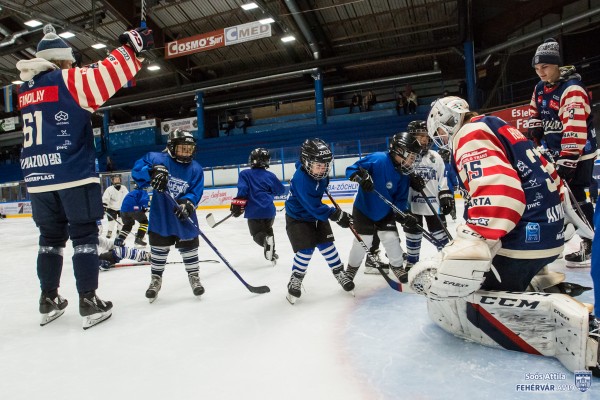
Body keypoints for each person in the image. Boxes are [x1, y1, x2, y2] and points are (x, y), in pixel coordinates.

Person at [408, 96, 599, 376]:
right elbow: (556, 181)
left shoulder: (468, 134)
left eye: (438, 130)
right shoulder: (499, 126)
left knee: (467, 290)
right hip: (548, 236)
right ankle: (532, 280)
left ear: (448, 120)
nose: (440, 137)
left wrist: (469, 242)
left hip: (523, 240)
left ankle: (586, 334)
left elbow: (501, 194)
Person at [16, 24, 153, 329]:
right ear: (62, 61)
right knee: (83, 238)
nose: (75, 65)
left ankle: (48, 298)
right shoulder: (67, 79)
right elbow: (106, 74)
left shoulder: (24, 89)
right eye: (71, 61)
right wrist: (132, 48)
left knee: (49, 240)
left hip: (37, 177)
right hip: (72, 173)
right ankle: (89, 301)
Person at [527, 38, 596, 268]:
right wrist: (535, 126)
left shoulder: (572, 89)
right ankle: (560, 239)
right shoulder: (539, 88)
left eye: (545, 67)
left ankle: (591, 243)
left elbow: (575, 128)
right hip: (557, 152)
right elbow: (534, 110)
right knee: (554, 198)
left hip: (578, 153)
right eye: (537, 69)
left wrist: (568, 160)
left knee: (574, 196)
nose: (541, 73)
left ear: (557, 65)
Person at [131, 129, 204, 303]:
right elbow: (136, 171)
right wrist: (152, 172)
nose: (186, 153)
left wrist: (187, 204)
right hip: (161, 214)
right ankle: (156, 279)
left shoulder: (196, 168)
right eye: (182, 148)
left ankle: (194, 276)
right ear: (171, 147)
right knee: (158, 247)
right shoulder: (156, 159)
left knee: (189, 246)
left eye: (189, 149)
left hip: (182, 215)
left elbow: (196, 191)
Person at [283, 138, 355, 304]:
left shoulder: (315, 171)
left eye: (325, 165)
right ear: (307, 162)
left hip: (315, 213)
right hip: (298, 217)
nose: (323, 169)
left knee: (327, 245)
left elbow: (298, 165)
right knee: (306, 250)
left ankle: (339, 273)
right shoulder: (302, 180)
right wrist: (337, 215)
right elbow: (314, 206)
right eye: (318, 165)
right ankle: (296, 278)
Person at [344, 131, 422, 283]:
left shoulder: (404, 174)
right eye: (411, 156)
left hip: (385, 212)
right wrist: (360, 178)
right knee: (363, 242)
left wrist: (404, 215)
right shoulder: (378, 159)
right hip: (364, 209)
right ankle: (350, 271)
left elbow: (400, 199)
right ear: (399, 151)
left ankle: (397, 266)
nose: (413, 161)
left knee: (391, 238)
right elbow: (350, 169)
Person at [402, 121, 451, 271]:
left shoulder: (435, 156)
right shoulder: (406, 156)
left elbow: (443, 178)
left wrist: (445, 194)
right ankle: (412, 260)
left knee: (439, 232)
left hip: (433, 203)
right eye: (420, 136)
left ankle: (446, 259)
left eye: (426, 136)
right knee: (413, 232)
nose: (424, 140)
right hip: (412, 203)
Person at [230, 148, 286, 264]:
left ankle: (266, 242)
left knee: (257, 234)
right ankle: (271, 252)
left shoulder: (245, 174)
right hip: (269, 211)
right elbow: (280, 190)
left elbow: (243, 190)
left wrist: (238, 203)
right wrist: (270, 191)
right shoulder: (270, 175)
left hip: (254, 211)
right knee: (268, 230)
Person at [102, 174, 128, 239]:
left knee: (121, 221)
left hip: (121, 208)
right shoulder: (109, 189)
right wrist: (104, 205)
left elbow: (128, 197)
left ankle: (119, 231)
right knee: (111, 222)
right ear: (112, 181)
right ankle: (110, 231)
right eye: (115, 179)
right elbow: (106, 198)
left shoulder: (123, 188)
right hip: (111, 208)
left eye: (118, 179)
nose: (117, 180)